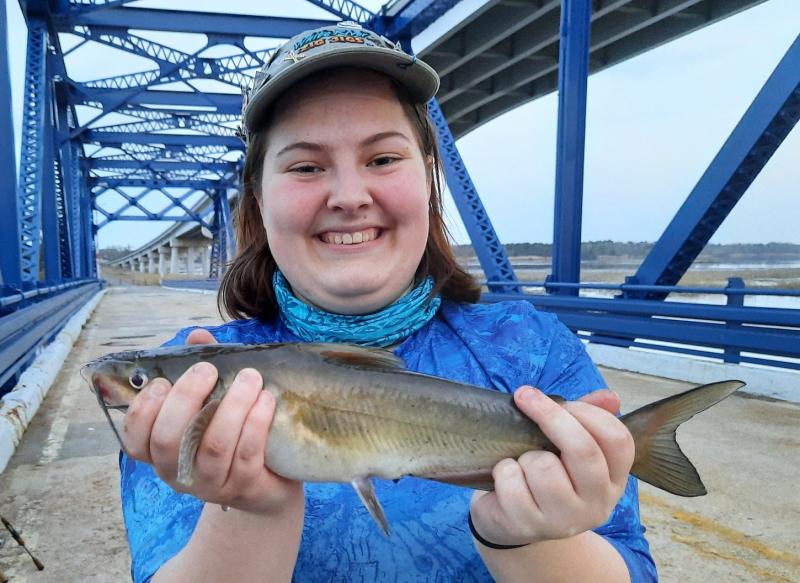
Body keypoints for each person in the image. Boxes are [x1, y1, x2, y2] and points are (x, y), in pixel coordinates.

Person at [118, 21, 657, 583]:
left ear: (429, 181)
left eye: (382, 160)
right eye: (305, 166)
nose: (350, 197)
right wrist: (255, 508)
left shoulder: (534, 352)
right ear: (258, 198)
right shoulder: (182, 388)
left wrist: (526, 539)